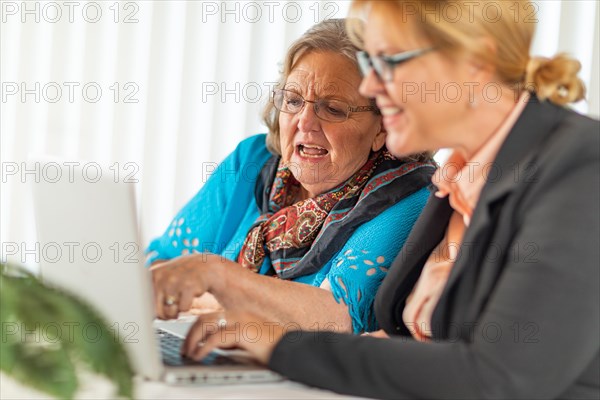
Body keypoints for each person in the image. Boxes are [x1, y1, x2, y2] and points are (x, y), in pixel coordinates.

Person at [180, 1, 600, 399]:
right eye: (370, 64)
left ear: (475, 63)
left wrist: (280, 346)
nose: (368, 86)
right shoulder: (459, 178)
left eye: (389, 62)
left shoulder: (581, 169)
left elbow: (499, 379)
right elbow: (406, 345)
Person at [148, 19, 436, 334]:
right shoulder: (251, 162)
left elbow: (338, 317)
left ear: (383, 126)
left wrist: (216, 280)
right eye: (294, 100)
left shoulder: (410, 198)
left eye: (333, 109)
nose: (305, 122)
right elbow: (161, 266)